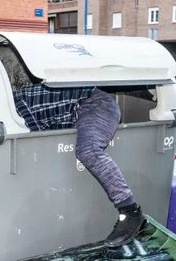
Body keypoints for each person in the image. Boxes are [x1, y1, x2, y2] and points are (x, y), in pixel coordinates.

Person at [13, 83, 146, 247]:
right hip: (83, 108)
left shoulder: (16, 106)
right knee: (85, 149)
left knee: (88, 150)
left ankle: (130, 212)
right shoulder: (17, 99)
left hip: (95, 104)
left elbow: (36, 141)